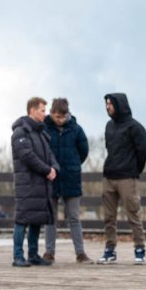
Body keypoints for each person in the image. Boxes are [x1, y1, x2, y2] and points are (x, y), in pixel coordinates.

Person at [98, 92, 146, 265]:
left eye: (110, 104)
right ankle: (110, 250)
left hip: (128, 177)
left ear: (119, 104)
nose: (108, 107)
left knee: (133, 214)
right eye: (106, 104)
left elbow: (143, 153)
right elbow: (108, 148)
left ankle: (139, 248)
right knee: (108, 217)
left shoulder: (135, 127)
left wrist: (134, 170)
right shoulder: (108, 126)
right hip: (109, 177)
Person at [42, 98, 91, 264]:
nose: (58, 120)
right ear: (51, 113)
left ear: (67, 114)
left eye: (61, 117)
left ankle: (80, 253)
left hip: (71, 178)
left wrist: (73, 165)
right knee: (50, 218)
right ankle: (49, 252)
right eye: (55, 116)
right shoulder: (44, 129)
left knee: (74, 217)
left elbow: (83, 151)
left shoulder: (77, 130)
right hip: (51, 178)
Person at [11, 97, 59, 267]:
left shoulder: (41, 132)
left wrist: (54, 168)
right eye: (42, 111)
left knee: (37, 218)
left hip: (41, 183)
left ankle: (33, 255)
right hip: (27, 183)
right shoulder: (20, 132)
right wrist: (47, 170)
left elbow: (50, 155)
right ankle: (18, 256)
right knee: (22, 220)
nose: (45, 115)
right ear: (32, 110)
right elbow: (27, 156)